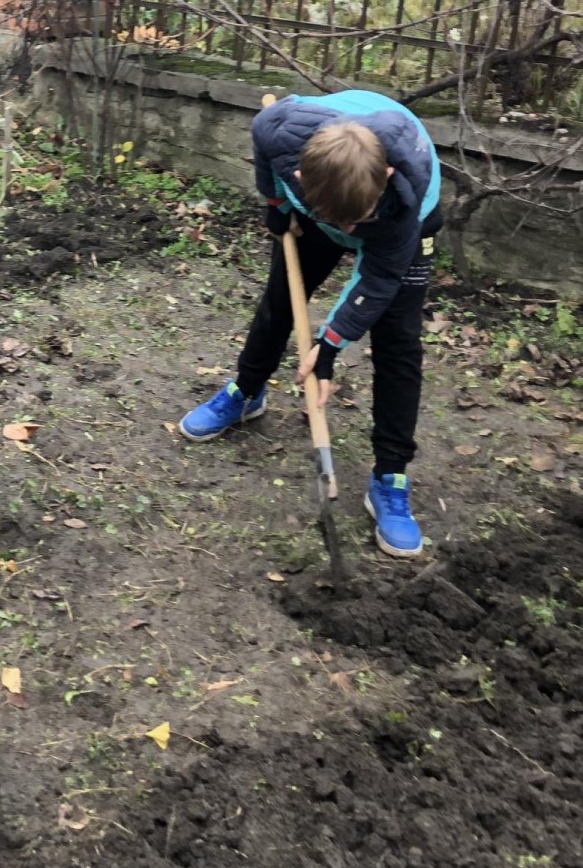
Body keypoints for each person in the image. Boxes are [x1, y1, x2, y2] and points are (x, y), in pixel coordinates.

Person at [179, 89, 441, 559]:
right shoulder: (282, 134)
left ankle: (390, 477)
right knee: (281, 301)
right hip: (325, 199)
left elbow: (378, 280)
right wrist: (278, 206)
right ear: (299, 175)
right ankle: (247, 391)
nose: (349, 233)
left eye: (355, 221)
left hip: (403, 223)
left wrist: (331, 346)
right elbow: (263, 140)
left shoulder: (403, 202)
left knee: (398, 345)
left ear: (385, 178)